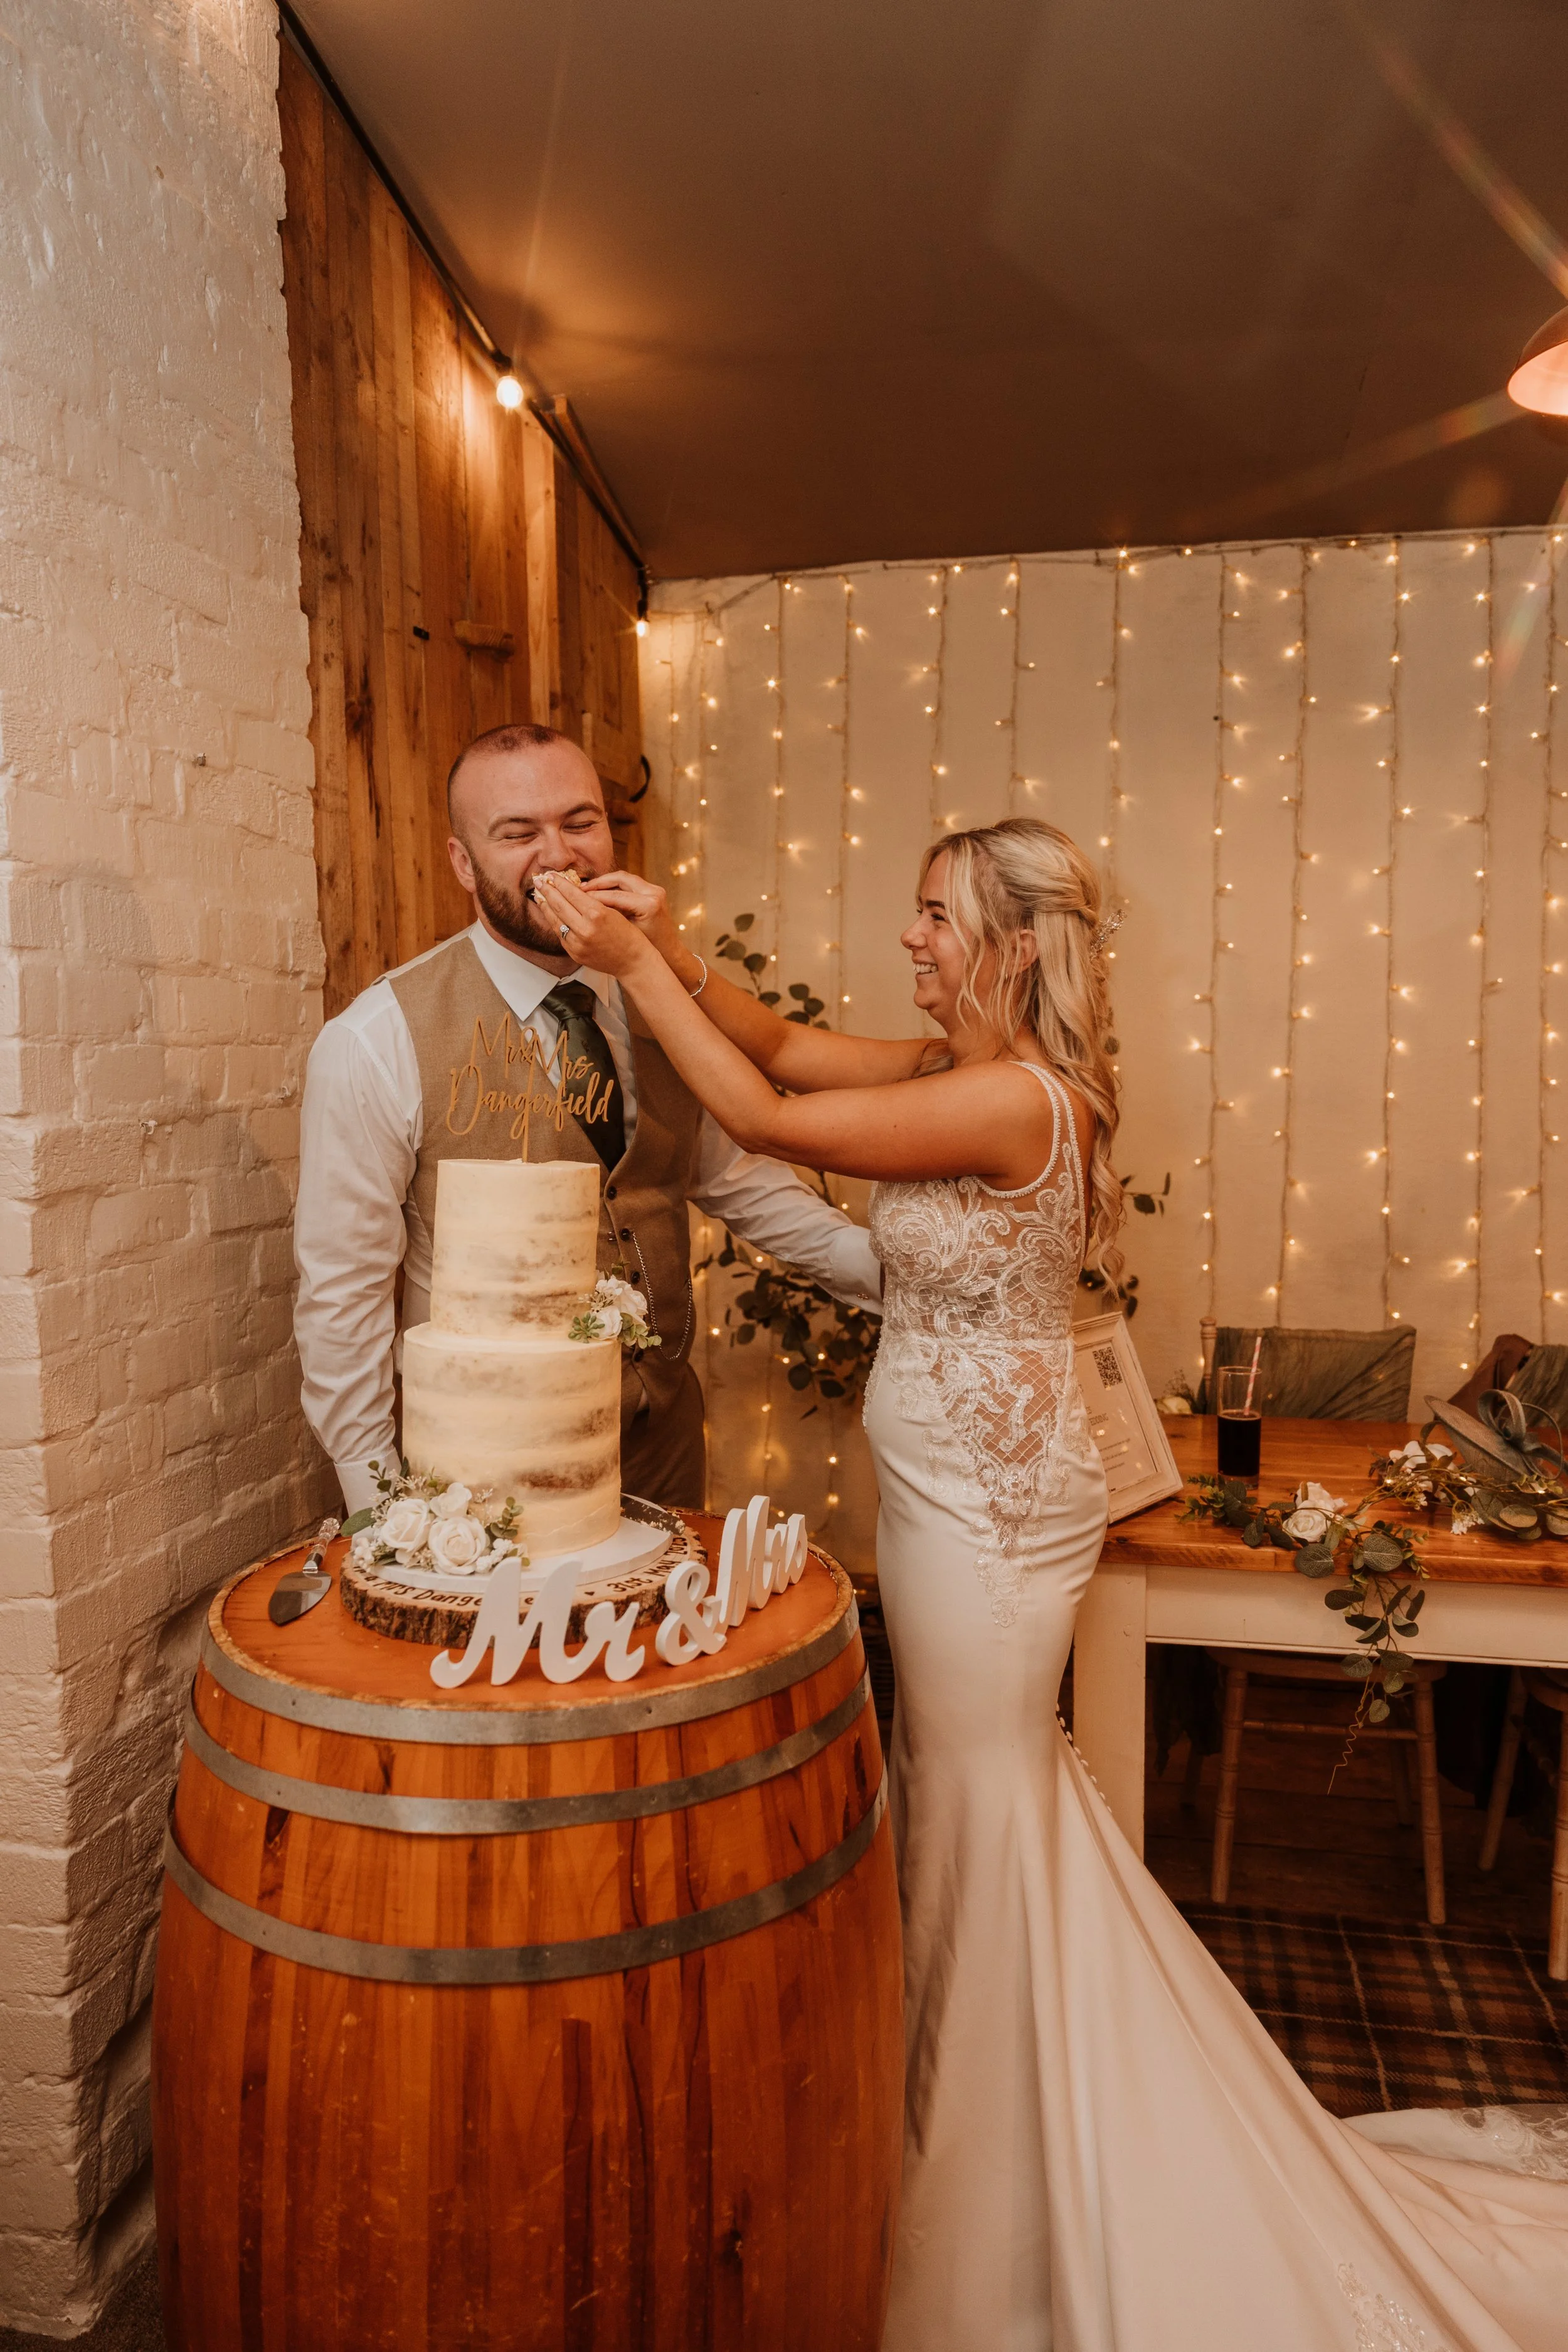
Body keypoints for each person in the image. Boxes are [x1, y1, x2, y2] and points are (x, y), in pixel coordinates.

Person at [537, 818, 1568, 2352]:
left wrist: (621, 966)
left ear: (1017, 944)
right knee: (976, 1808)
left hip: (988, 1522)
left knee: (977, 1809)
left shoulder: (1017, 1097)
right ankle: (989, 2129)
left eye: (938, 918)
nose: (913, 939)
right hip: (970, 1494)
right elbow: (774, 1040)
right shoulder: (971, 1071)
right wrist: (667, 937)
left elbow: (754, 1100)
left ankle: (999, 2194)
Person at [292, 723, 882, 1518]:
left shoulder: (661, 998)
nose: (560, 856)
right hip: (485, 1473)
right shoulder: (376, 1039)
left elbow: (738, 1182)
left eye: (580, 822)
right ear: (463, 863)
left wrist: (904, 1275)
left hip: (664, 1444)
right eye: (517, 833)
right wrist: (381, 1504)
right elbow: (344, 1292)